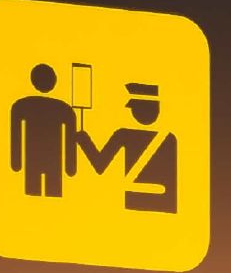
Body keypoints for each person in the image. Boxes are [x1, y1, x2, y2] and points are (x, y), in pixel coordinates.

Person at [72, 82, 181, 213]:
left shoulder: (124, 135)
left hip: (135, 201)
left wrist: (83, 140)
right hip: (165, 204)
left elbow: (99, 164)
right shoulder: (170, 139)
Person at [9, 63, 75, 197]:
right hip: (45, 158)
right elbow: (70, 139)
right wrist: (71, 166)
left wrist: (16, 162)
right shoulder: (63, 109)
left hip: (41, 158)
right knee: (42, 190)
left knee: (46, 190)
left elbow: (16, 135)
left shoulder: (22, 105)